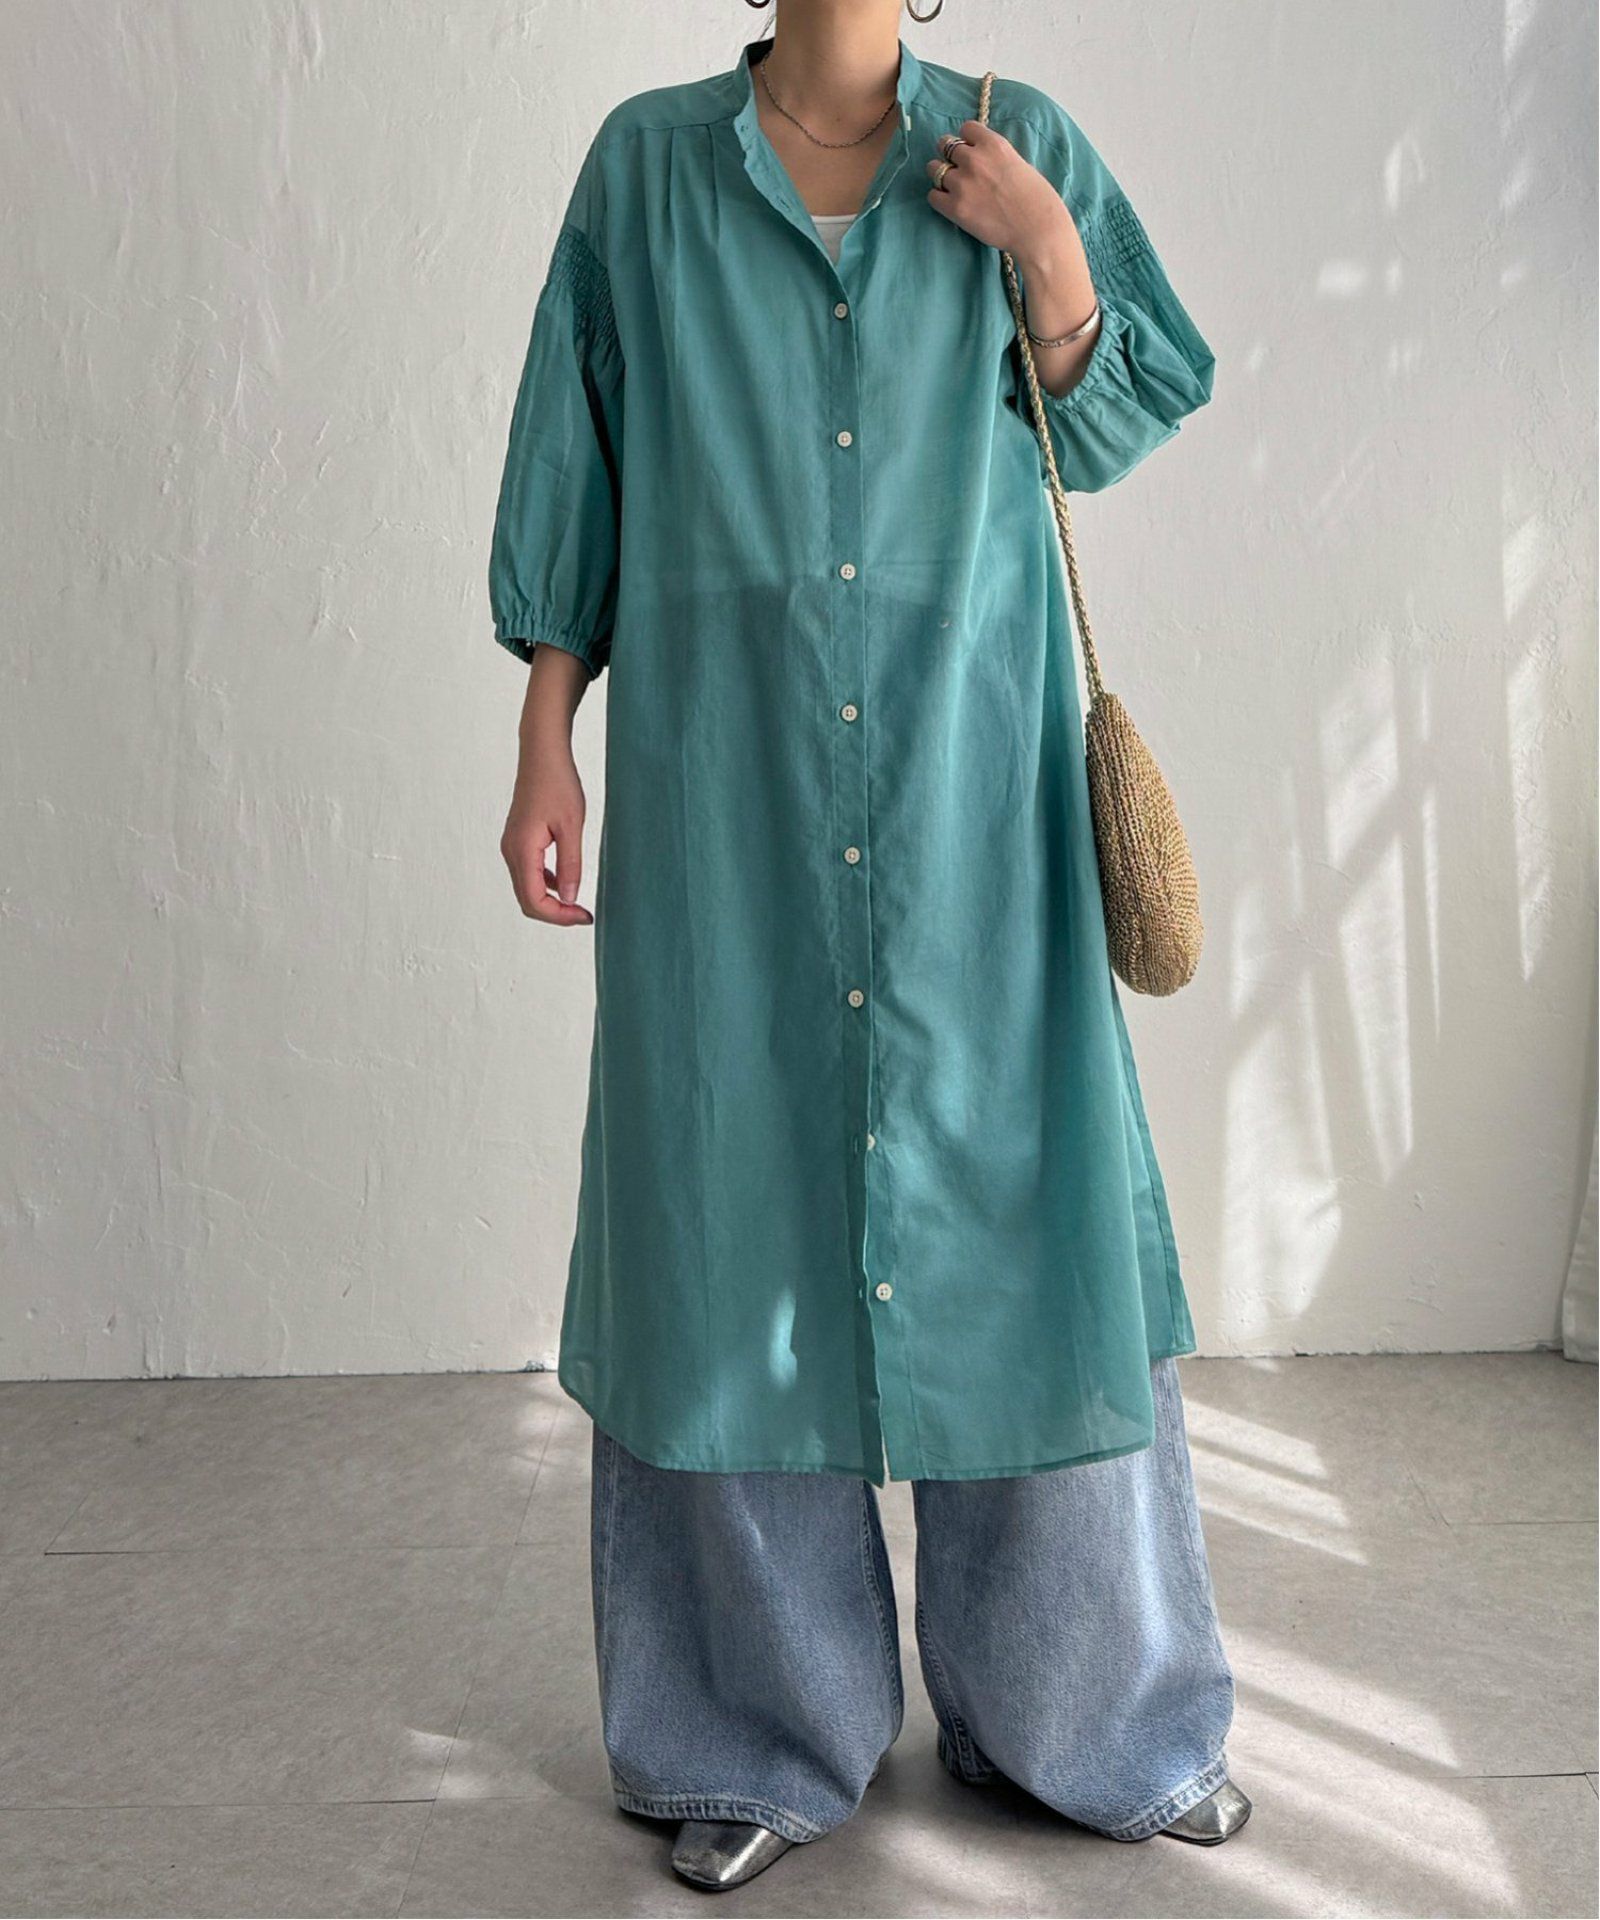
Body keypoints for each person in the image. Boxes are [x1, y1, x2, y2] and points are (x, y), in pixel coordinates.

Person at [489, 0, 1249, 1891]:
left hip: (975, 807)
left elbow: (1129, 406)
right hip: (724, 806)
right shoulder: (645, 172)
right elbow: (577, 470)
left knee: (1030, 1222)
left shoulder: (1016, 137)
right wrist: (543, 741)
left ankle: (1091, 1716)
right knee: (721, 1222)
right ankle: (749, 1730)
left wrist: (1048, 251)